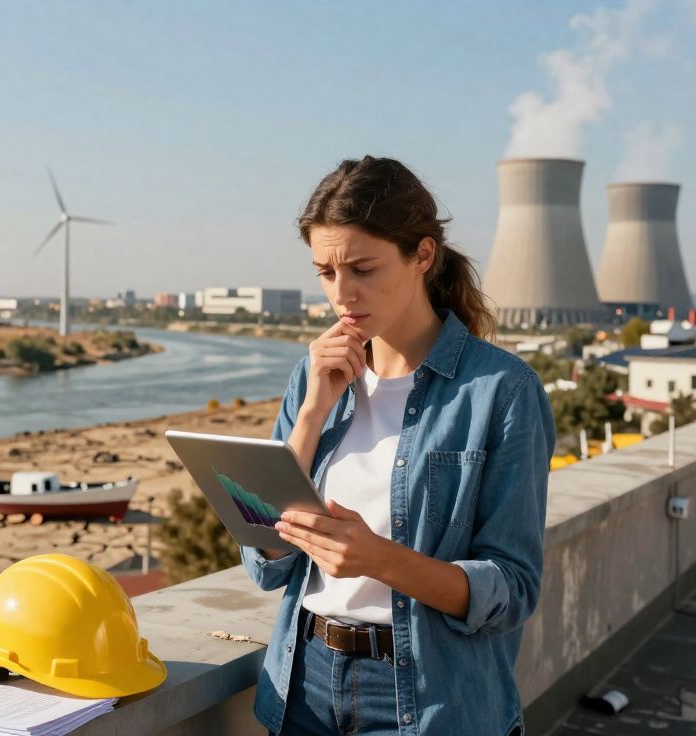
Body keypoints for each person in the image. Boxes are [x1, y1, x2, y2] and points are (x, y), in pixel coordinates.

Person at [240, 156, 555, 736]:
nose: (343, 294)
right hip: (302, 684)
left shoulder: (501, 391)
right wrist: (312, 413)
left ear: (424, 256)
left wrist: (380, 559)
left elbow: (512, 590)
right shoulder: (310, 376)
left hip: (431, 701)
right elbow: (263, 563)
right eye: (326, 273)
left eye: (363, 268)